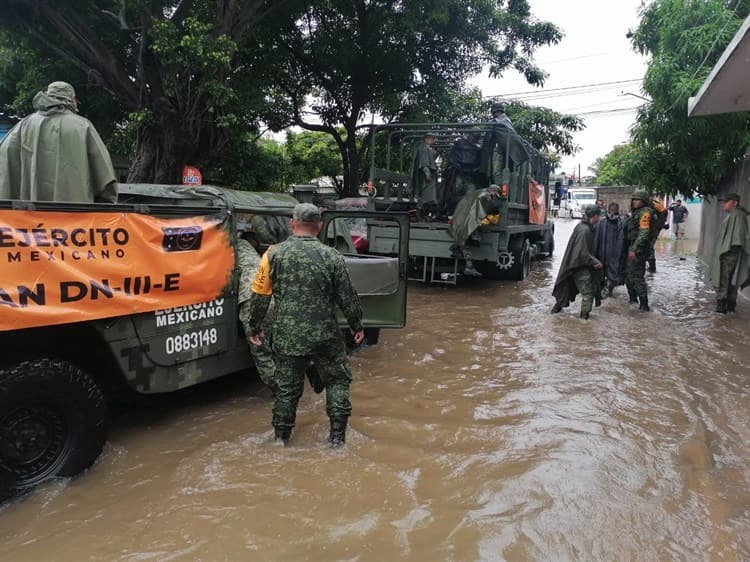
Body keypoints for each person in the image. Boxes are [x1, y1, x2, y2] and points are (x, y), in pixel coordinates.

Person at [246, 203, 364, 447]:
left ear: (292, 223)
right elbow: (347, 297)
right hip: (326, 336)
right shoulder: (333, 256)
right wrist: (356, 325)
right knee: (337, 381)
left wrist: (254, 326)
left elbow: (260, 296)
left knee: (286, 389)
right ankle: (337, 439)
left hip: (287, 337)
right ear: (319, 226)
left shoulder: (273, 254)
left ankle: (281, 439)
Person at [0, 81, 117, 203]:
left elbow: (4, 162)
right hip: (75, 217)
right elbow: (105, 177)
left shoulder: (22, 126)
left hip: (29, 217)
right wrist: (105, 204)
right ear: (72, 98)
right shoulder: (83, 127)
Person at [236, 225, 279, 395]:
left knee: (260, 350)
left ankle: (281, 391)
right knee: (273, 344)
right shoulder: (255, 255)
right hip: (271, 298)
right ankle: (293, 380)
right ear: (252, 242)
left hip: (250, 300)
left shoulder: (232, 246)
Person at [551, 206, 603, 319]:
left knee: (567, 289)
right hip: (579, 266)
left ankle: (555, 312)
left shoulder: (581, 227)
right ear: (594, 216)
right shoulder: (585, 230)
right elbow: (582, 252)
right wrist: (595, 262)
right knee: (588, 293)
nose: (599, 218)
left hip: (574, 265)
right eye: (599, 216)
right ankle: (584, 321)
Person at [447, 185, 502, 277]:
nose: (494, 196)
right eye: (495, 195)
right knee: (467, 242)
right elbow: (486, 210)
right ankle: (468, 266)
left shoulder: (478, 192)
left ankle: (459, 253)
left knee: (465, 241)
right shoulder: (486, 196)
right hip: (468, 221)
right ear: (493, 192)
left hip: (460, 218)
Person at [709, 193, 750, 314]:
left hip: (730, 254)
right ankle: (729, 309)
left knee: (725, 280)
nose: (723, 204)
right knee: (729, 280)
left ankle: (722, 308)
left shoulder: (737, 215)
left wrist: (728, 254)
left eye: (726, 201)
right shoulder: (733, 215)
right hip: (728, 254)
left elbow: (738, 239)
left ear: (735, 202)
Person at [625, 189, 655, 311]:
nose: (635, 202)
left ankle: (644, 305)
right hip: (632, 247)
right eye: (634, 199)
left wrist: (634, 249)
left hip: (639, 250)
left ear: (644, 201)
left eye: (638, 200)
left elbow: (644, 233)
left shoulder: (645, 213)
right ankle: (633, 300)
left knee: (637, 277)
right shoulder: (637, 212)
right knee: (628, 276)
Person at [594, 202, 625, 297]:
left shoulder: (621, 224)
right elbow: (596, 239)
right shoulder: (602, 223)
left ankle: (605, 294)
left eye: (614, 212)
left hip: (612, 256)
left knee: (610, 278)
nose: (612, 214)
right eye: (611, 211)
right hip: (605, 255)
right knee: (604, 278)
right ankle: (606, 294)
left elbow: (622, 242)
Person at [409, 132, 439, 221]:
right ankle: (420, 214)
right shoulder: (423, 148)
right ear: (427, 139)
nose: (433, 140)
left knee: (430, 196)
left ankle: (424, 213)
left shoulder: (428, 148)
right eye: (432, 138)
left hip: (430, 175)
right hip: (425, 177)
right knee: (425, 196)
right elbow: (424, 163)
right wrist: (427, 173)